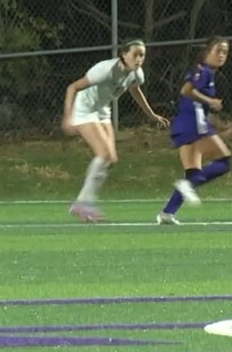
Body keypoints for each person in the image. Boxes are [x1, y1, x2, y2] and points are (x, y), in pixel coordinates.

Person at [62, 39, 170, 222]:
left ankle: (83, 203)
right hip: (85, 108)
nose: (139, 59)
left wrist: (151, 115)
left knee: (111, 158)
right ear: (124, 54)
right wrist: (67, 116)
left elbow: (135, 90)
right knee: (103, 154)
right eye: (135, 54)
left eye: (142, 55)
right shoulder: (104, 71)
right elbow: (72, 87)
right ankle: (83, 204)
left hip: (102, 110)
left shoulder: (136, 74)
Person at [156, 36, 232, 225]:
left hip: (185, 124)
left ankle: (167, 213)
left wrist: (219, 125)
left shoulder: (206, 72)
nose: (222, 55)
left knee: (193, 174)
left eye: (225, 52)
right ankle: (187, 186)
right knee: (224, 161)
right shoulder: (203, 70)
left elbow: (194, 101)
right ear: (208, 51)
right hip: (193, 124)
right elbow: (186, 91)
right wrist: (211, 101)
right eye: (218, 51)